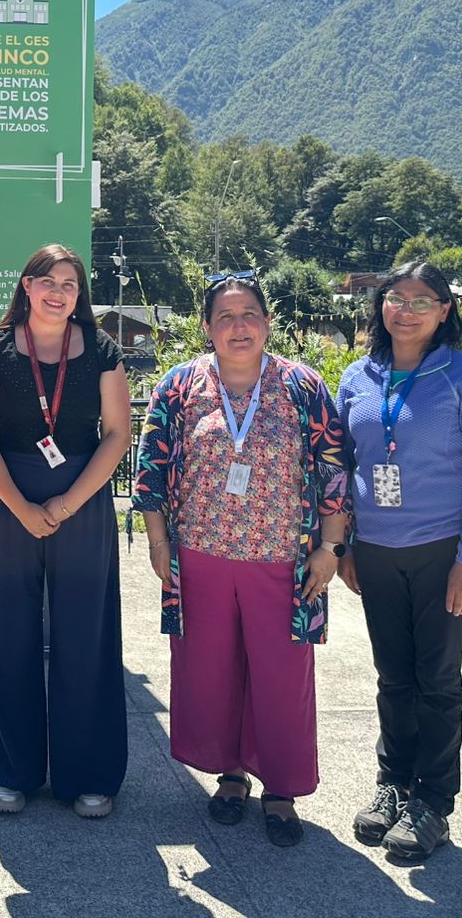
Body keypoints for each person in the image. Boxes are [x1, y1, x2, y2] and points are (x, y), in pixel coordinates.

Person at [132, 270, 351, 846]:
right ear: (207, 327)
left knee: (282, 678)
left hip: (283, 560)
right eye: (225, 317)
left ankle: (280, 787)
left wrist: (330, 549)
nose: (238, 327)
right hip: (199, 558)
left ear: (267, 323)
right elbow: (151, 470)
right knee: (211, 672)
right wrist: (158, 544)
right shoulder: (179, 386)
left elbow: (333, 469)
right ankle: (230, 775)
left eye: (249, 314)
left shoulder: (302, 386)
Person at [336, 260, 462, 862]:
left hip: (442, 553)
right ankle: (393, 784)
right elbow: (344, 467)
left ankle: (433, 801)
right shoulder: (358, 377)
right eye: (395, 298)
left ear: (444, 311)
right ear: (380, 305)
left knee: (437, 681)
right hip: (376, 553)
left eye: (420, 301)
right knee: (393, 677)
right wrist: (345, 544)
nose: (404, 310)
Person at [0, 244, 130, 819]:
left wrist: (66, 502)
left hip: (82, 499)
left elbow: (117, 434)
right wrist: (21, 507)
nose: (58, 292)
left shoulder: (103, 351)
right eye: (48, 281)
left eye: (70, 284)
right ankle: (11, 770)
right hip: (8, 501)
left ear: (79, 295)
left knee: (86, 637)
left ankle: (89, 774)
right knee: (7, 636)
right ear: (27, 286)